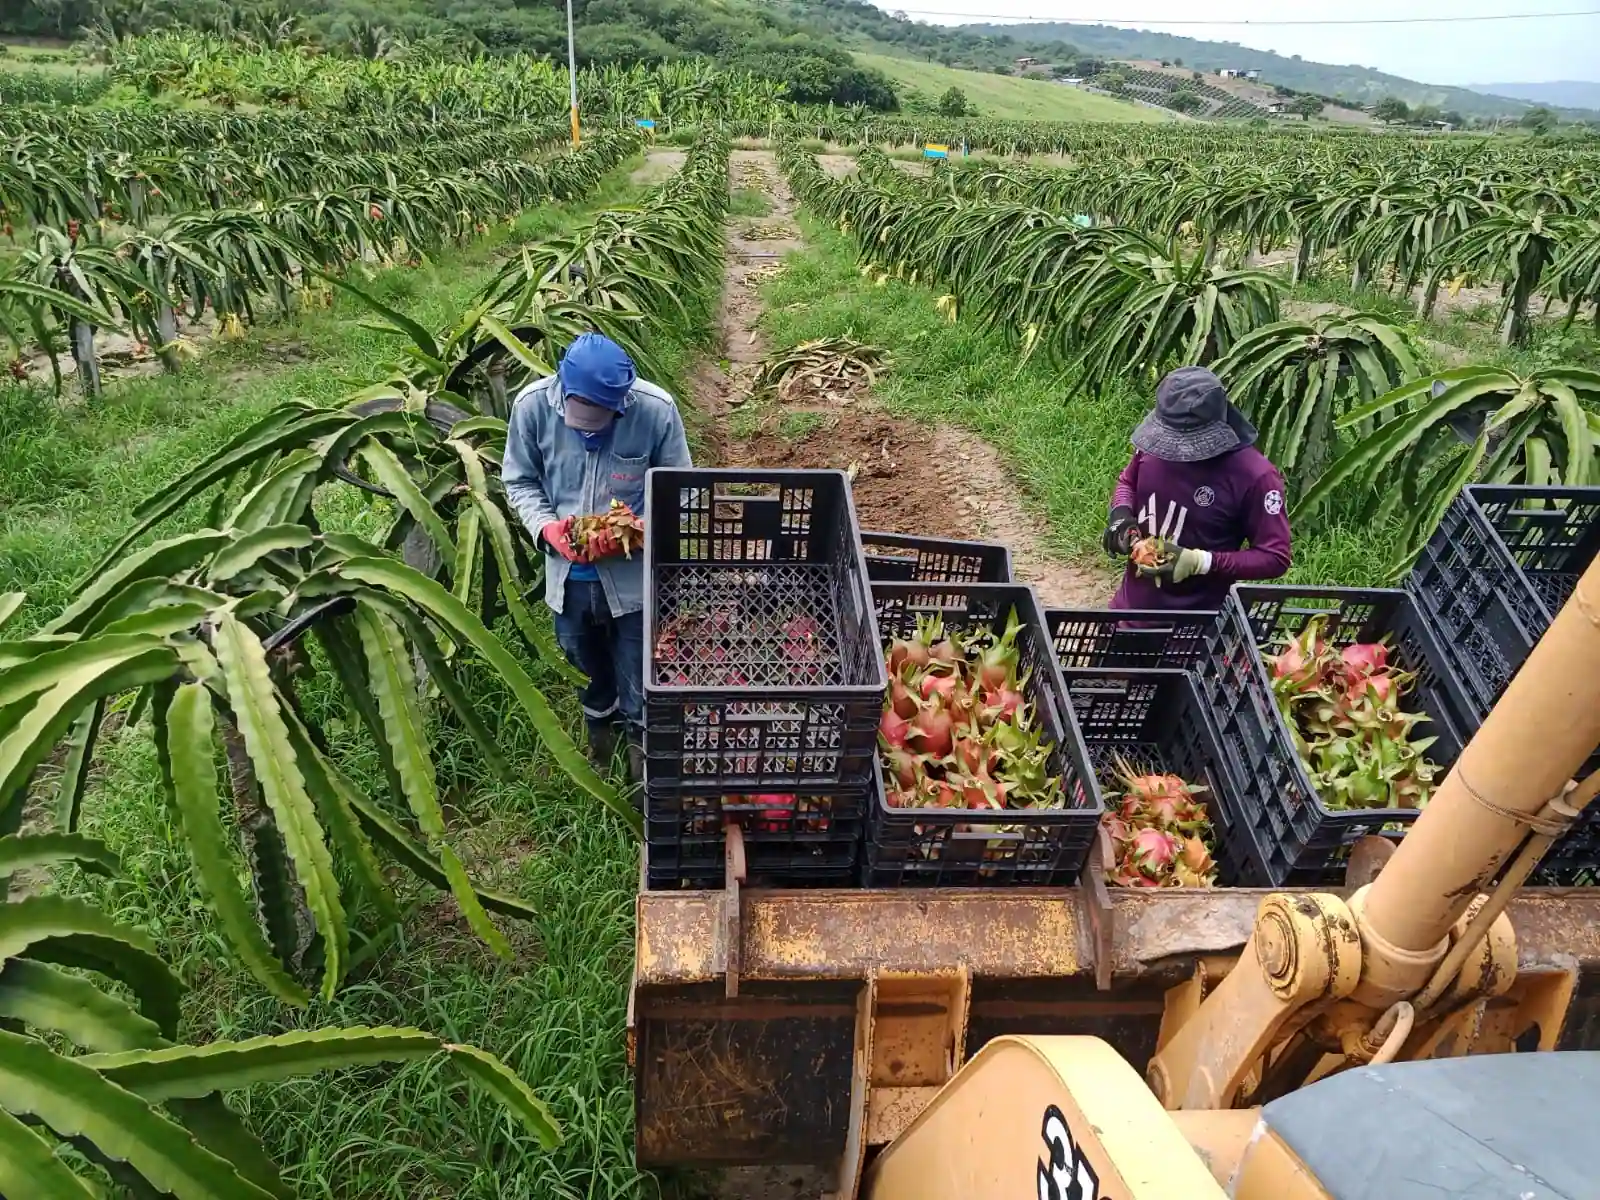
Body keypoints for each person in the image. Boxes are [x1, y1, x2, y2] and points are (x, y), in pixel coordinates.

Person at [503, 332, 692, 784]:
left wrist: (640, 527)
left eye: (602, 421)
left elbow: (682, 493)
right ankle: (599, 746)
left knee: (637, 669)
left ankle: (640, 770)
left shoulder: (655, 411)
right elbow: (520, 482)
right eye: (581, 421)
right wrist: (548, 529)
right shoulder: (531, 409)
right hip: (569, 579)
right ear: (562, 391)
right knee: (583, 662)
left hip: (633, 583)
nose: (590, 431)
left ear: (622, 402)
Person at [1102, 366, 1291, 611]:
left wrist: (1200, 562)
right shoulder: (1154, 446)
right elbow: (1128, 481)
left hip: (1198, 628)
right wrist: (1121, 515)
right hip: (1128, 611)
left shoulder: (1255, 476)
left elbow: (1275, 556)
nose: (1175, 450)